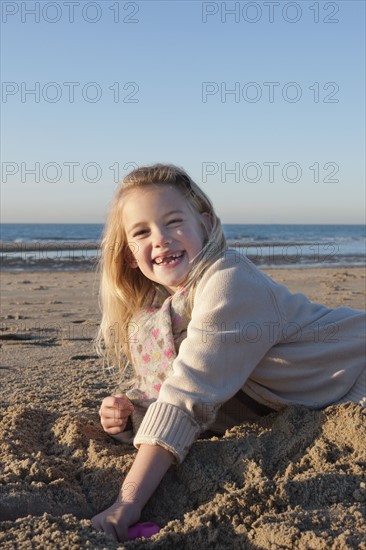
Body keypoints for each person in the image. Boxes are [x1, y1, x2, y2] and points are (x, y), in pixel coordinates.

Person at [91, 163, 365, 541]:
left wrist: (128, 502)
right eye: (142, 232)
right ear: (129, 255)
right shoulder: (161, 315)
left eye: (173, 222)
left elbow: (188, 397)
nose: (161, 239)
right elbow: (181, 394)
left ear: (205, 223)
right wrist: (128, 413)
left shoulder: (228, 280)